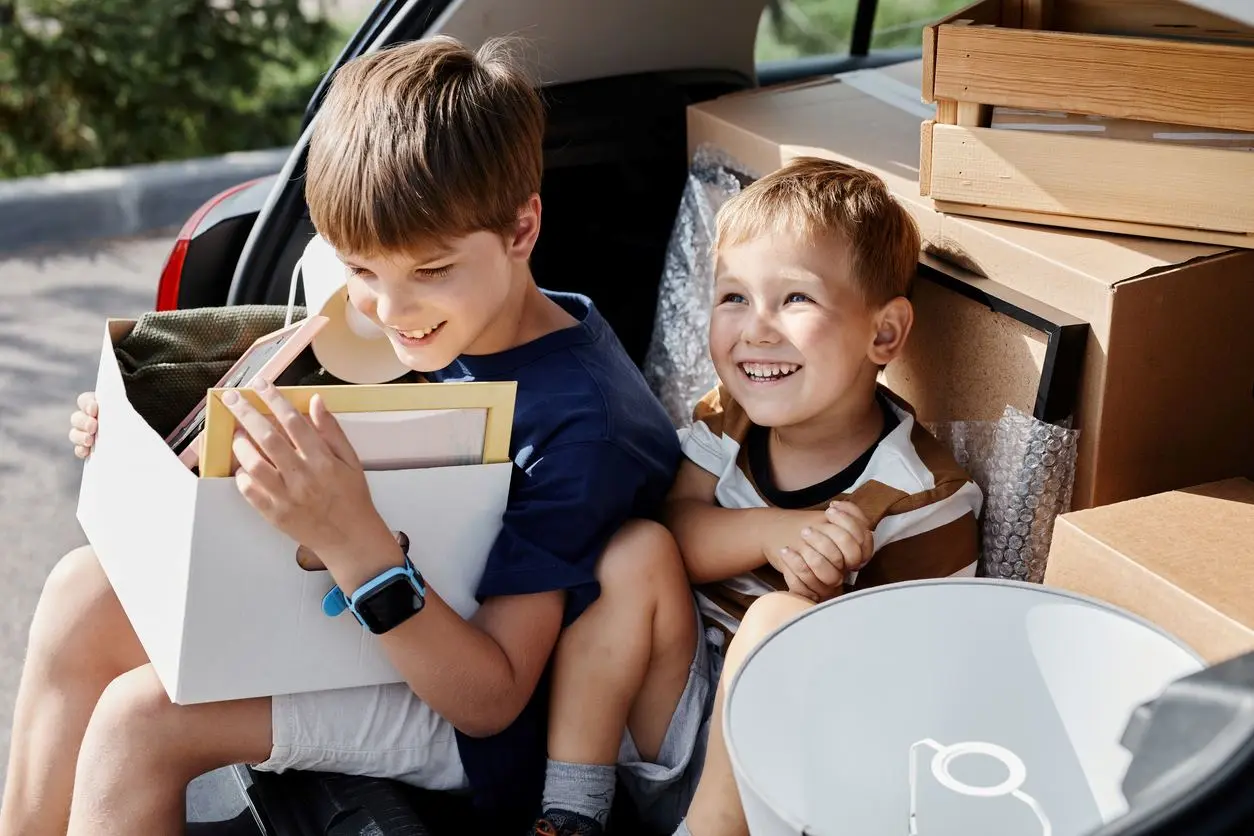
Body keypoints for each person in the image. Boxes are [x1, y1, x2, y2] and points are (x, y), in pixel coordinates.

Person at [2, 35, 682, 836]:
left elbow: (493, 699)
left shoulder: (582, 426)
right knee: (79, 592)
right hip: (375, 617)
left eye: (430, 271)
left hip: (479, 721)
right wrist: (144, 445)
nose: (391, 313)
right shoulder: (453, 322)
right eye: (362, 271)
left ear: (522, 228)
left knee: (140, 721)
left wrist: (356, 543)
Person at [531, 157, 984, 836]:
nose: (756, 329)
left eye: (795, 299)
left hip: (787, 783)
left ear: (884, 333)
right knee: (636, 547)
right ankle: (570, 811)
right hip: (679, 724)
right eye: (733, 297)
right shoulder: (729, 417)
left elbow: (919, 693)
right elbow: (678, 530)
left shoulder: (923, 494)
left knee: (776, 623)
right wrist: (775, 531)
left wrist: (825, 611)